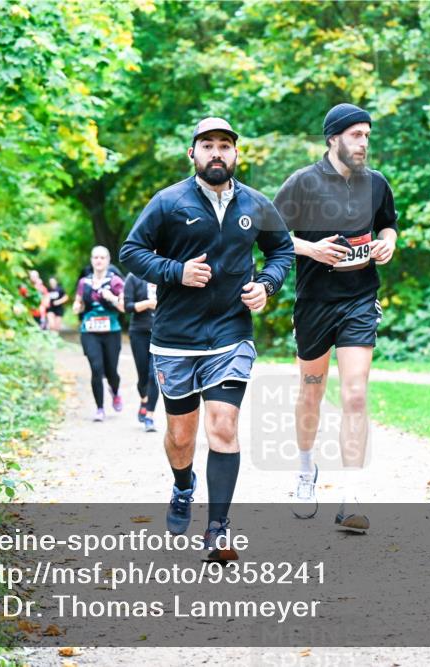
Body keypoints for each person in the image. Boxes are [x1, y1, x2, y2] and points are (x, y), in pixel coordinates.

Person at [120, 117, 293, 561]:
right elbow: (132, 252)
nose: (217, 153)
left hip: (231, 333)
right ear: (192, 154)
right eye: (208, 145)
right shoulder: (168, 202)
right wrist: (176, 272)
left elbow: (282, 250)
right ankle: (182, 486)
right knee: (181, 436)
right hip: (176, 337)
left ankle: (218, 529)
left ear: (236, 154)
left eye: (225, 146)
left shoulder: (256, 203)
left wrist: (267, 285)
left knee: (223, 425)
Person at [273, 103, 398, 530]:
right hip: (314, 303)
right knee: (311, 391)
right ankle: (306, 469)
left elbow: (388, 225)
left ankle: (351, 493)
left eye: (367, 135)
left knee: (356, 393)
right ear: (333, 138)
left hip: (360, 299)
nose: (363, 143)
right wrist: (312, 249)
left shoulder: (376, 184)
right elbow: (269, 237)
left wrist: (387, 243)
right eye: (355, 135)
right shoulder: (303, 183)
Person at [72, 246, 127, 421]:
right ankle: (100, 408)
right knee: (96, 369)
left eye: (102, 257)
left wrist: (111, 297)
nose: (99, 260)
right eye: (95, 257)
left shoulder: (115, 281)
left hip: (111, 330)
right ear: (91, 260)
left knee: (111, 371)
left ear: (108, 260)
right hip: (89, 331)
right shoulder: (84, 283)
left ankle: (115, 390)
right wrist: (77, 307)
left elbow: (124, 307)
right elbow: (78, 303)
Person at [124, 272, 159, 432]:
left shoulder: (166, 273)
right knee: (143, 376)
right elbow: (127, 306)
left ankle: (149, 416)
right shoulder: (133, 277)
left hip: (160, 333)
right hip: (139, 332)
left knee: (155, 376)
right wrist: (147, 304)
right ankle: (144, 400)